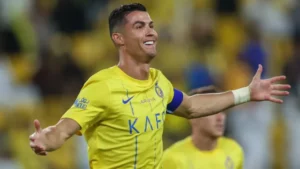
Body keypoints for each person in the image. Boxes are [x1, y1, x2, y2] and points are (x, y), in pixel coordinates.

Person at [29, 3, 290, 169]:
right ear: (118, 38)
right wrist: (46, 139)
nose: (151, 32)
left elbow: (191, 106)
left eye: (151, 26)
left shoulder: (158, 82)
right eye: (140, 26)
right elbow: (64, 129)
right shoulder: (102, 86)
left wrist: (247, 93)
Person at [162, 86, 244, 169]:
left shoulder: (234, 150)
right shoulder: (173, 159)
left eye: (222, 111)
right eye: (213, 112)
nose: (220, 118)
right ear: (193, 117)